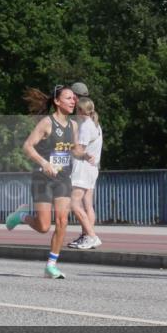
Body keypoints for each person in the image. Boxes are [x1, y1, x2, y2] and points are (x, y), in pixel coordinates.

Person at [5, 85, 89, 280]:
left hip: (62, 178)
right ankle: (22, 216)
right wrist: (44, 162)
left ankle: (51, 265)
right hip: (42, 179)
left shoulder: (73, 125)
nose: (73, 101)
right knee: (44, 227)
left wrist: (84, 155)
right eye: (69, 98)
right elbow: (27, 146)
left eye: (74, 98)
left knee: (62, 221)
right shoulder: (47, 123)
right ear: (57, 101)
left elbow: (74, 149)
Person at [68, 97, 104, 249]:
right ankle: (89, 236)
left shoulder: (85, 127)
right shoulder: (96, 125)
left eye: (77, 109)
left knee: (74, 203)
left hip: (83, 168)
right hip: (92, 168)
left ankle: (91, 236)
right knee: (87, 204)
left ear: (81, 111)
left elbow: (79, 151)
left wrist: (66, 146)